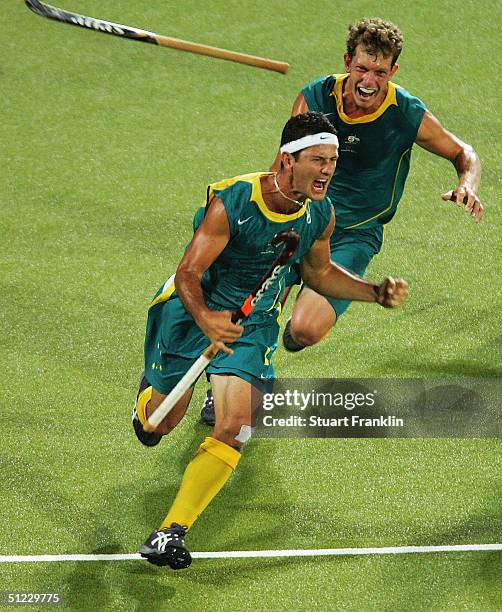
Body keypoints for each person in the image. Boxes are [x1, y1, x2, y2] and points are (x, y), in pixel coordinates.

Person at [132, 112, 408, 570]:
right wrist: (206, 320)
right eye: (317, 160)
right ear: (287, 160)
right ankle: (150, 392)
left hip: (252, 324)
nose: (327, 170)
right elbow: (188, 272)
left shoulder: (321, 212)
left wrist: (373, 292)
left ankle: (170, 532)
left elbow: (318, 273)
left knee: (238, 422)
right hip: (193, 311)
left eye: (333, 160)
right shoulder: (235, 200)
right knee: (156, 426)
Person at [200, 16, 483, 425]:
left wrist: (468, 184)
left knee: (306, 330)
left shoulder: (405, 113)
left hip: (353, 235)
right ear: (348, 61)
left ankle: (286, 336)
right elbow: (281, 166)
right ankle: (230, 384)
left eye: (380, 73)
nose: (370, 81)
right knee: (250, 300)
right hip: (300, 219)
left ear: (393, 72)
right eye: (362, 69)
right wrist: (265, 221)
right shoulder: (314, 98)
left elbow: (464, 152)